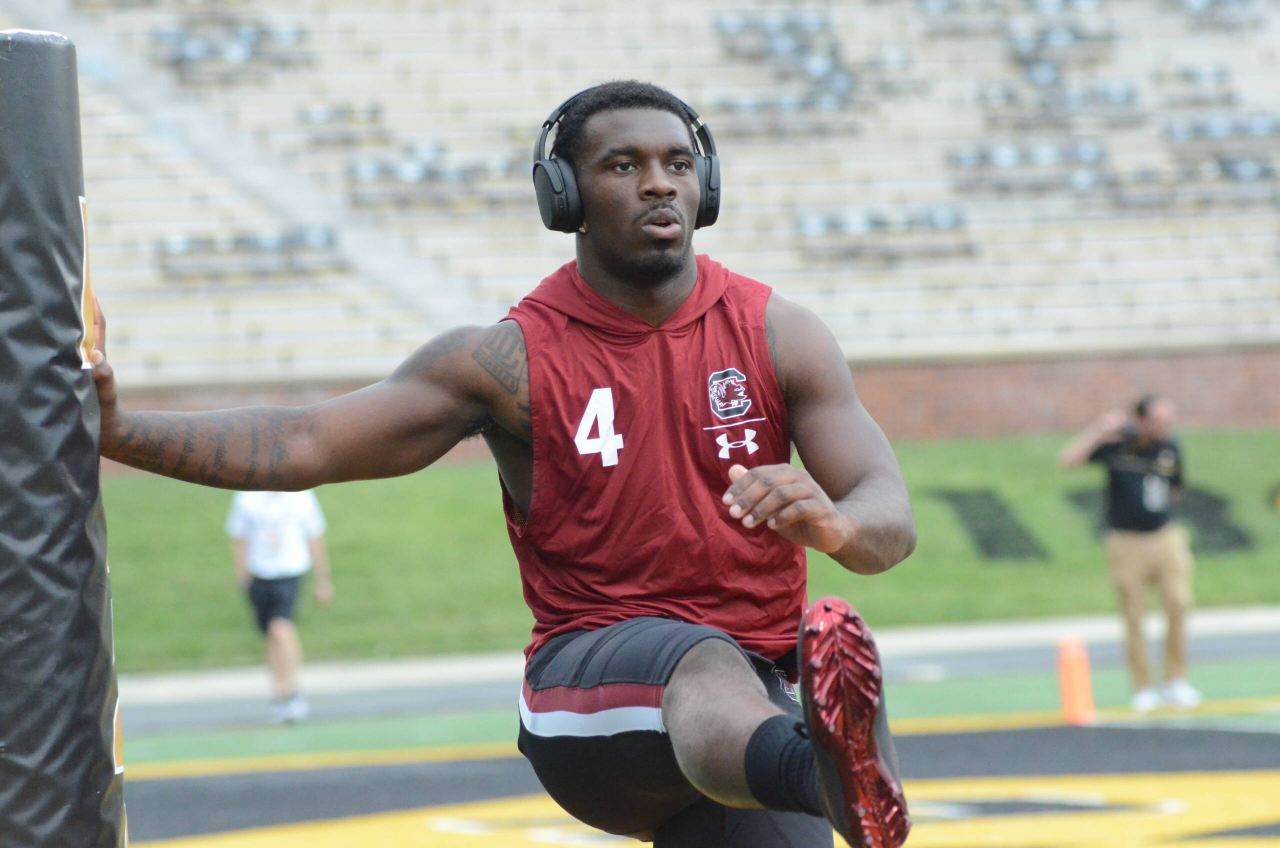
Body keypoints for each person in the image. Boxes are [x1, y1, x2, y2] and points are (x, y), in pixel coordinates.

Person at [90, 81, 916, 847]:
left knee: (756, 666)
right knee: (697, 659)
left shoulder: (783, 334)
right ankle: (827, 772)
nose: (660, 184)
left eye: (678, 163)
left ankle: (824, 769)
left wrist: (838, 524)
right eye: (622, 165)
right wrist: (119, 433)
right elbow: (303, 442)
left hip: (756, 704)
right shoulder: (505, 360)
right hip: (590, 691)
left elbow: (890, 524)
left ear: (709, 186)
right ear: (564, 198)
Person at [1059, 395, 1200, 713]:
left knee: (1179, 603)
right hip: (1126, 541)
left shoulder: (1170, 448)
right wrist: (1098, 431)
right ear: (1142, 420)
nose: (1167, 427)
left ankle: (1175, 680)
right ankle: (1142, 686)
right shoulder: (1116, 445)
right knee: (1134, 614)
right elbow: (1068, 461)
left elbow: (1176, 488)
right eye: (1160, 421)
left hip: (1165, 536)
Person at [225, 489, 334, 723]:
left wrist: (322, 579)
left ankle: (293, 691)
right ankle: (279, 694)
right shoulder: (247, 497)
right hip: (259, 573)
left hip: (290, 571)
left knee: (281, 630)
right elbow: (239, 537)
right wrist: (242, 574)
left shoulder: (301, 495)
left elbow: (314, 537)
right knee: (270, 637)